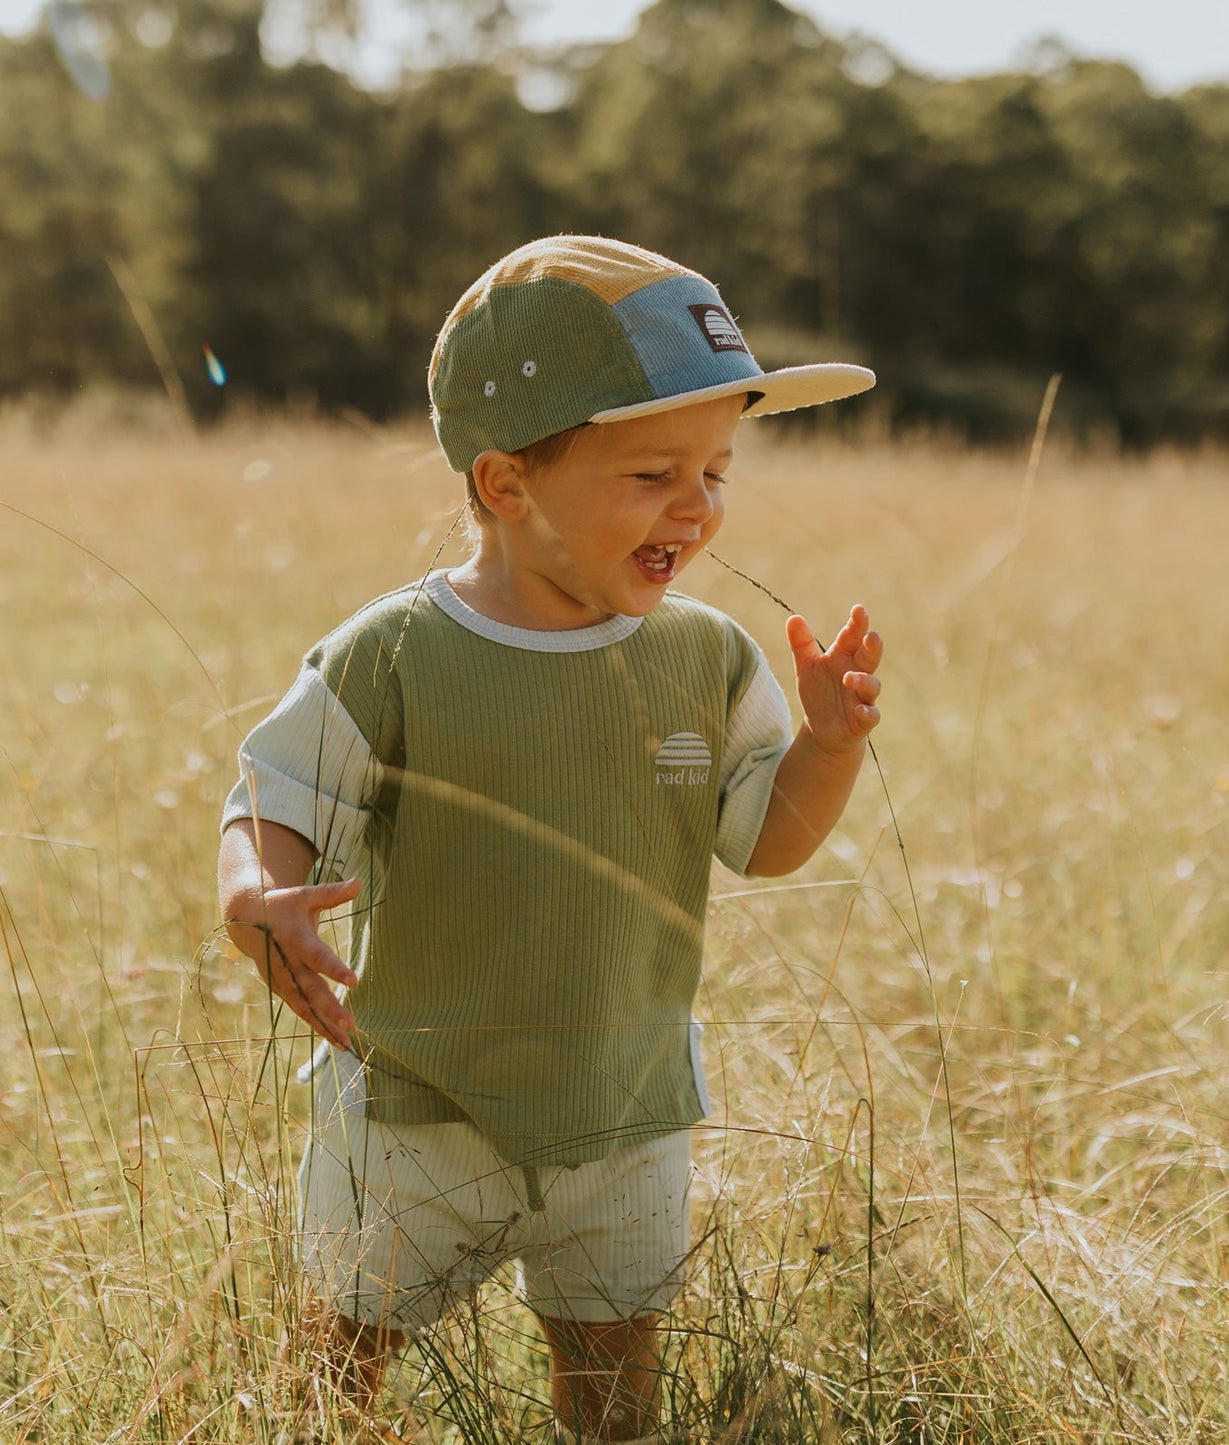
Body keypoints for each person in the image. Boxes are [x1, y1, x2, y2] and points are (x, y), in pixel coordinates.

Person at [218, 235, 883, 1443]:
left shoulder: (707, 657)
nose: (697, 503)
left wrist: (825, 747)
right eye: (650, 471)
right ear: (507, 483)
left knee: (616, 1376)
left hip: (622, 1104)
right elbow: (275, 790)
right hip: (412, 1101)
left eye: (716, 469)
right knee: (336, 1361)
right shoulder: (395, 651)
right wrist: (256, 889)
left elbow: (760, 842)